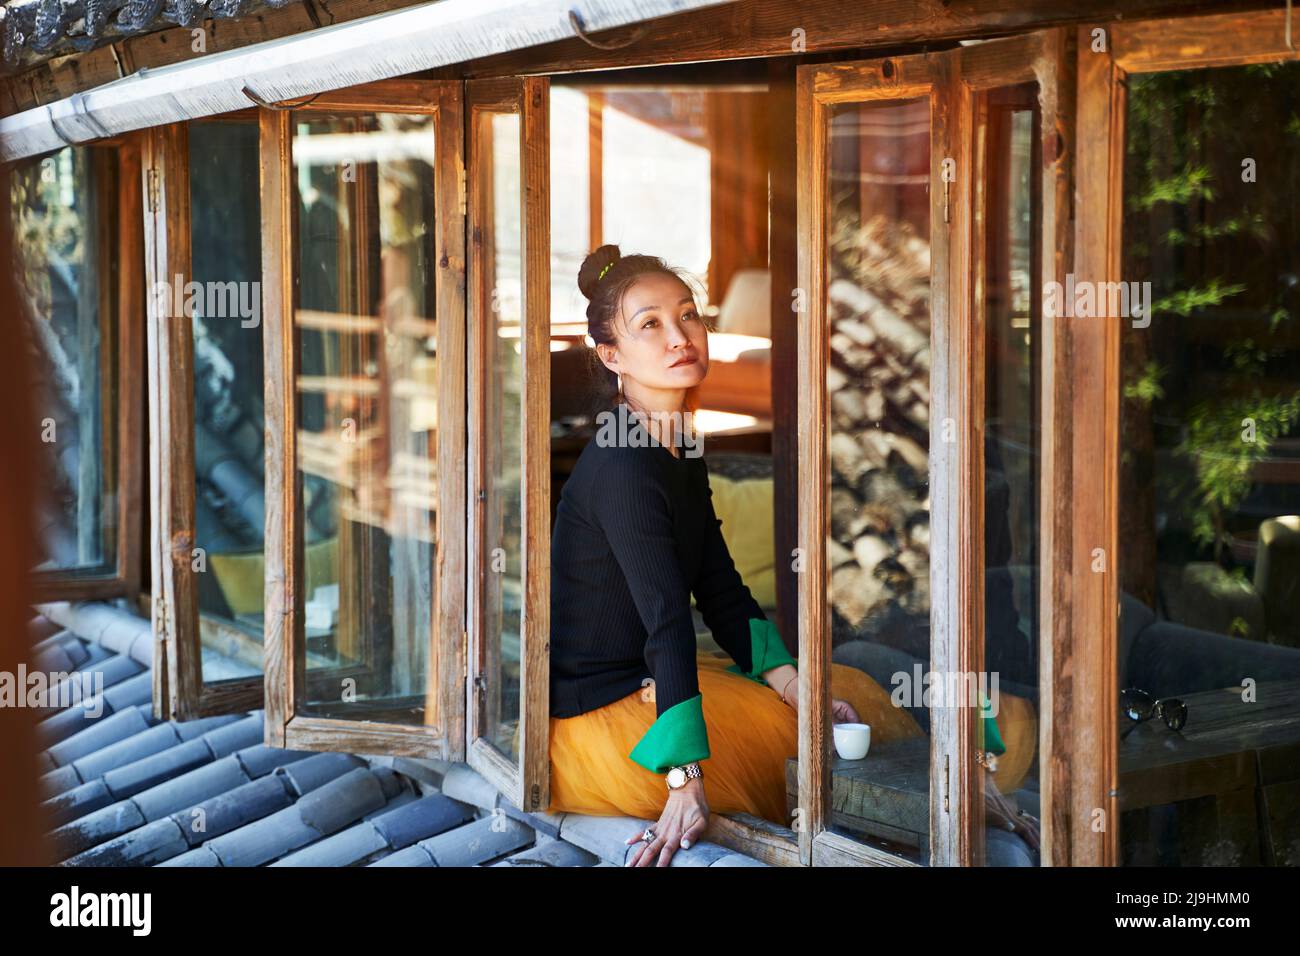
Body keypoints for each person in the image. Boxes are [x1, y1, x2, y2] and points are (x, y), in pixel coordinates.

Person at [545, 244, 925, 866]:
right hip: (605, 715)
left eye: (688, 314)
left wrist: (791, 681)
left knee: (839, 697)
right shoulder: (623, 463)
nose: (680, 336)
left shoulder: (677, 442)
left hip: (652, 683)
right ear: (611, 356)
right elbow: (666, 619)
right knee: (798, 746)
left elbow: (718, 585)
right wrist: (683, 779)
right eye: (650, 325)